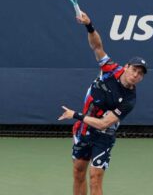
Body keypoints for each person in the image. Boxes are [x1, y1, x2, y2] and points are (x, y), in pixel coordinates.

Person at [58, 11, 147, 195]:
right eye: (134, 70)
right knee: (78, 172)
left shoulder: (129, 100)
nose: (136, 75)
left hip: (104, 134)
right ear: (126, 67)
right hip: (84, 130)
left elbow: (104, 123)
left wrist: (75, 115)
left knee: (95, 178)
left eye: (140, 74)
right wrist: (89, 25)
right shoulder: (110, 69)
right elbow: (97, 46)